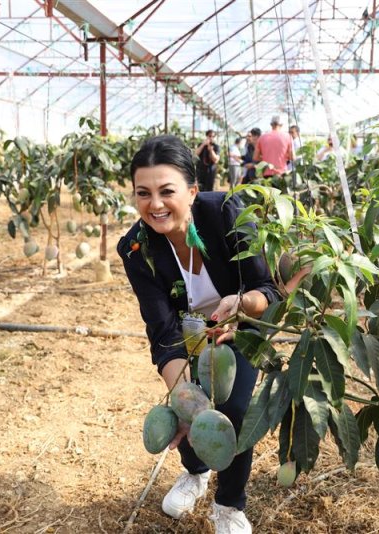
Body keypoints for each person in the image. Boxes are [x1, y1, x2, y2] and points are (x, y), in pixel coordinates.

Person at [118, 135, 280, 534]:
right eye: (143, 193)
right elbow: (162, 330)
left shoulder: (224, 213)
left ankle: (229, 504)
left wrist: (241, 305)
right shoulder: (136, 249)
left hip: (238, 327)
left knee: (234, 411)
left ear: (192, 191)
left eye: (166, 191)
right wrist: (186, 398)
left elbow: (268, 288)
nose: (155, 204)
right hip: (189, 337)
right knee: (186, 405)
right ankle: (196, 471)